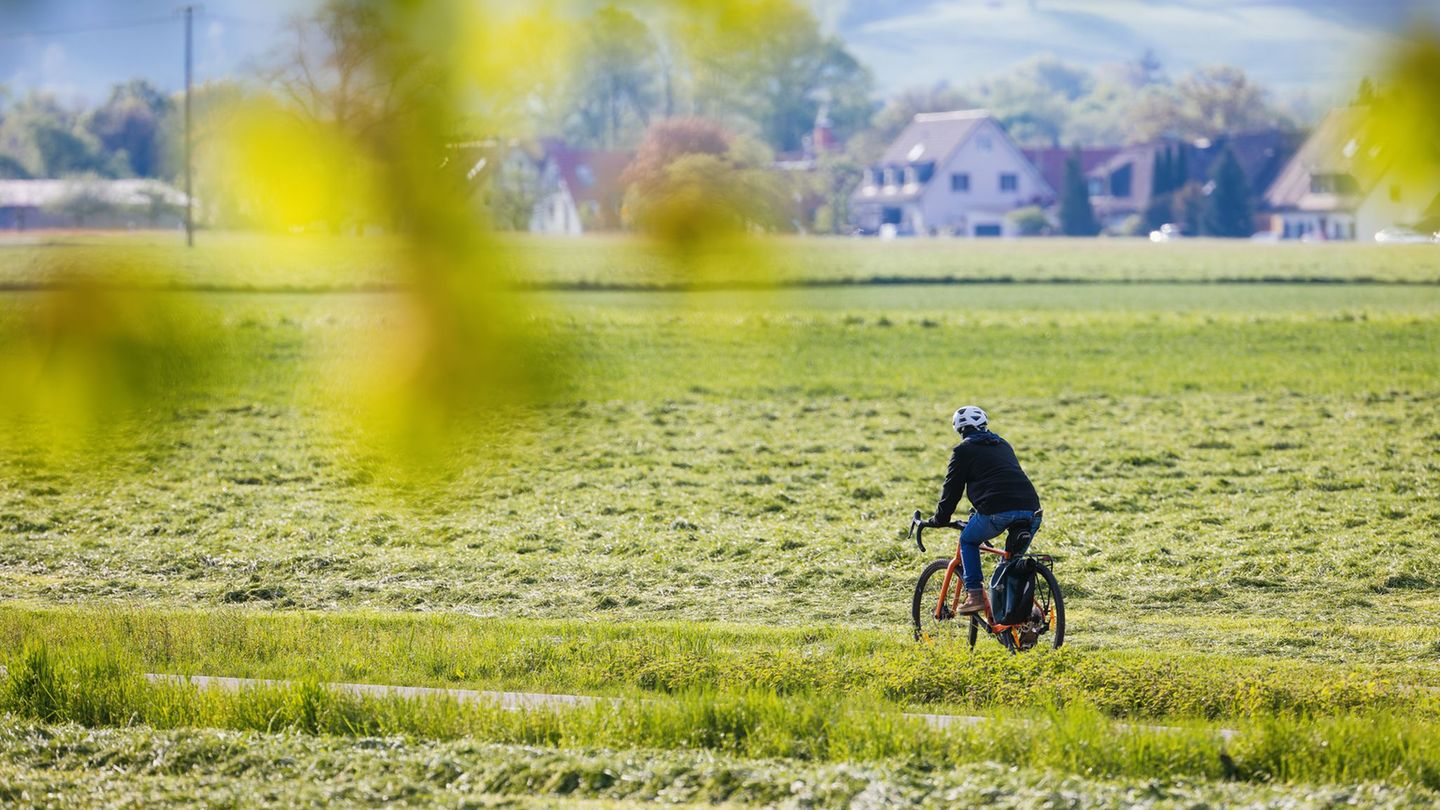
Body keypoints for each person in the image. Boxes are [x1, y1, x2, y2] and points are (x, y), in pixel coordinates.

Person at [925, 406, 1042, 615]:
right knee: (1010, 564)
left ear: (960, 430)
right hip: (1031, 510)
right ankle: (1024, 620)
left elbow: (952, 489)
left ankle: (975, 595)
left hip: (997, 511)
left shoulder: (963, 450)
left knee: (968, 540)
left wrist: (939, 519)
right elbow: (1000, 479)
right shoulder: (1003, 444)